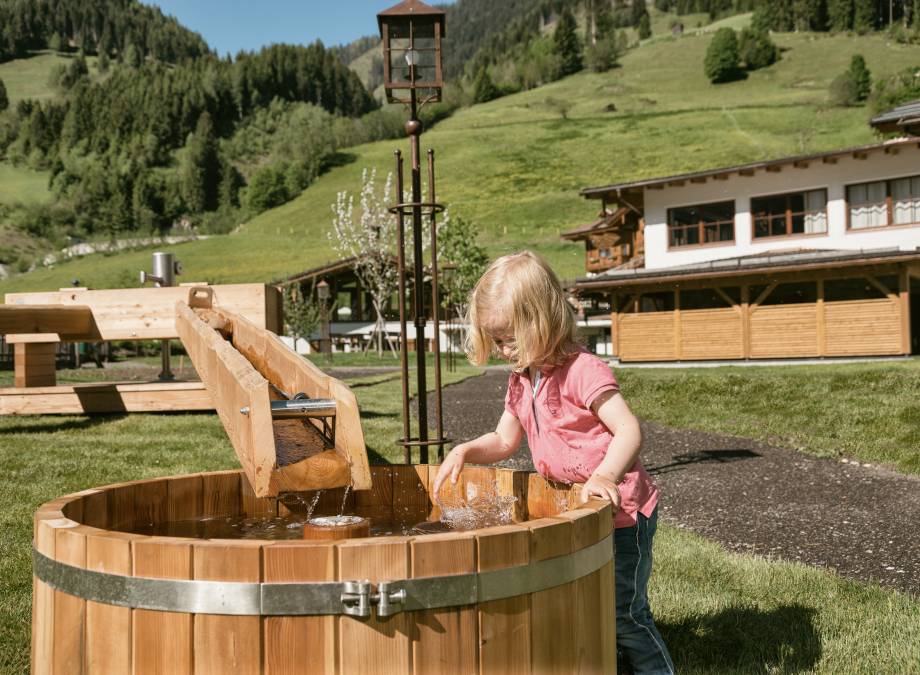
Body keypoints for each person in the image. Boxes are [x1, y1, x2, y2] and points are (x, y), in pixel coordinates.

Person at [433, 251, 674, 675]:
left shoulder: (583, 370)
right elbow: (505, 439)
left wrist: (604, 475)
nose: (504, 349)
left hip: (621, 514)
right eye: (497, 340)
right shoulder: (522, 378)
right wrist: (465, 450)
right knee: (589, 606)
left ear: (540, 323)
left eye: (508, 338)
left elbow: (629, 430)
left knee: (624, 615)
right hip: (579, 513)